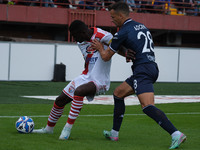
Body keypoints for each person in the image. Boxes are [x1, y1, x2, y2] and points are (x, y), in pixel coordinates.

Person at [91, 2, 186, 149]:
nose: (112, 20)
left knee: (147, 106)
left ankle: (175, 134)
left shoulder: (122, 32)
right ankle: (114, 133)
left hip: (143, 70)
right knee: (118, 94)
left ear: (121, 15)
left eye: (113, 16)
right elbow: (139, 45)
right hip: (151, 66)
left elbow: (105, 57)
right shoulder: (141, 26)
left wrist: (99, 47)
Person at [32, 20, 133, 140]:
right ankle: (48, 129)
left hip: (100, 79)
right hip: (85, 76)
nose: (75, 40)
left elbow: (117, 46)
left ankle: (67, 130)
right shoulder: (81, 42)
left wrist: (126, 52)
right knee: (60, 100)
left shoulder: (103, 35)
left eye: (75, 36)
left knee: (79, 92)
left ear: (83, 32)